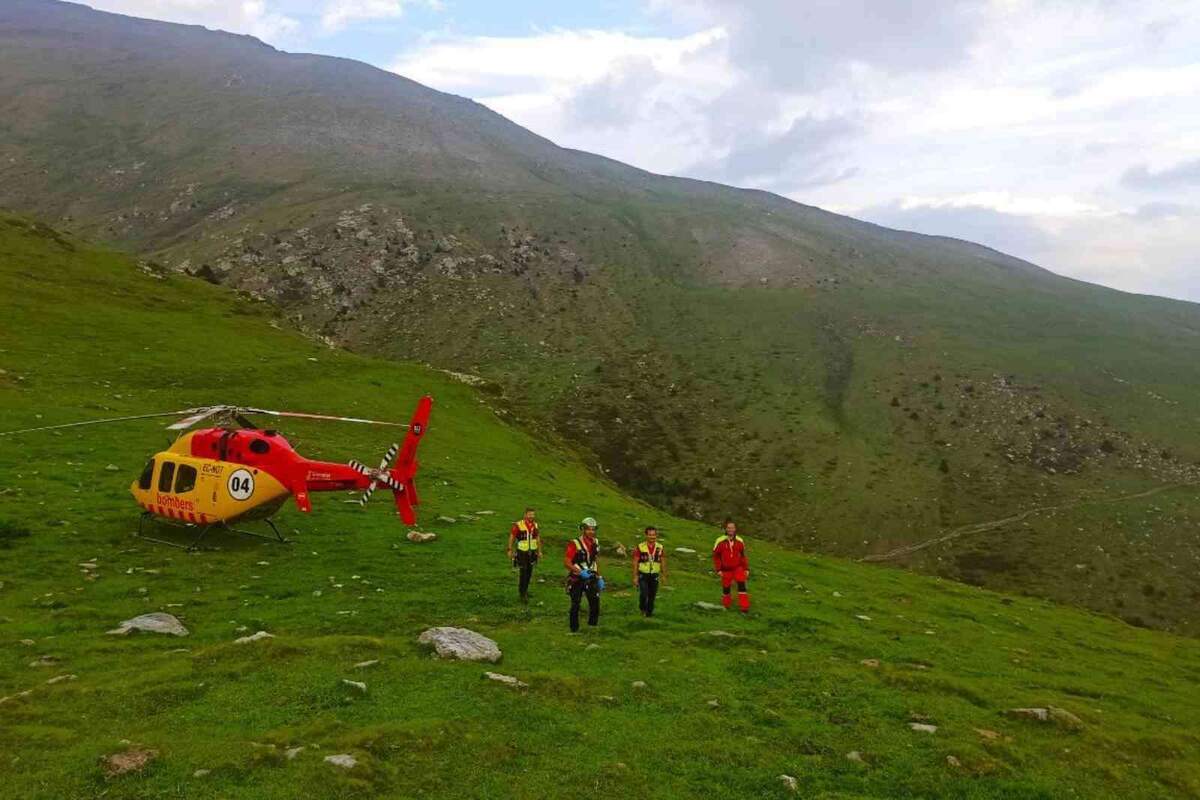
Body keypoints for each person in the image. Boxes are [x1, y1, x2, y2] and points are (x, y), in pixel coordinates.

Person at [564, 516, 602, 632]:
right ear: (583, 529)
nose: (591, 531)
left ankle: (592, 627)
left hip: (591, 576)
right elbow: (567, 562)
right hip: (577, 577)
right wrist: (580, 572)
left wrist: (599, 576)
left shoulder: (596, 542)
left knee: (595, 602)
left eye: (593, 529)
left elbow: (595, 560)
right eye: (588, 529)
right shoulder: (574, 543)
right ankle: (574, 629)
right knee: (575, 604)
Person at [712, 518, 750, 613]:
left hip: (738, 568)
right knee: (726, 588)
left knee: (742, 586)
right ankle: (726, 605)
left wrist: (746, 568)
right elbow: (716, 556)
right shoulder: (719, 541)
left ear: (735, 529)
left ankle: (744, 608)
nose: (730, 529)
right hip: (725, 569)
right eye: (728, 528)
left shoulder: (740, 541)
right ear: (725, 529)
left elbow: (743, 556)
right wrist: (718, 569)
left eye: (732, 528)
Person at [506, 507, 541, 603]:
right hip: (522, 552)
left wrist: (539, 551)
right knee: (523, 572)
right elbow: (512, 537)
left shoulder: (535, 525)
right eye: (530, 514)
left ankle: (525, 590)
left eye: (533, 515)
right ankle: (522, 593)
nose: (532, 516)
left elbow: (537, 538)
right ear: (525, 515)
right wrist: (509, 549)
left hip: (532, 552)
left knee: (530, 572)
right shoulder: (518, 525)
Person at [632, 525, 667, 617]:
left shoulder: (660, 547)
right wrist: (635, 576)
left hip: (654, 574)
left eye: (654, 535)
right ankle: (642, 608)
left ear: (656, 535)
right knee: (644, 593)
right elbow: (635, 562)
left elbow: (663, 560)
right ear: (646, 535)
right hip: (643, 574)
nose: (652, 537)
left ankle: (649, 614)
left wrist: (664, 575)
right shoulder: (640, 547)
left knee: (652, 596)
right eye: (650, 535)